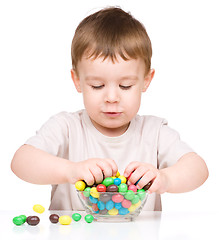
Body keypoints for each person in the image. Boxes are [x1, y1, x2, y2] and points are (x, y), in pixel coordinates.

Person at [11, 7, 208, 211]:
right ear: (77, 81)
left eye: (125, 86)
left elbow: (198, 169)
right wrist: (71, 170)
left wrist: (166, 179)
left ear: (146, 81)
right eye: (97, 86)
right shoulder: (66, 128)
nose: (112, 98)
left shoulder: (154, 132)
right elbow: (21, 162)